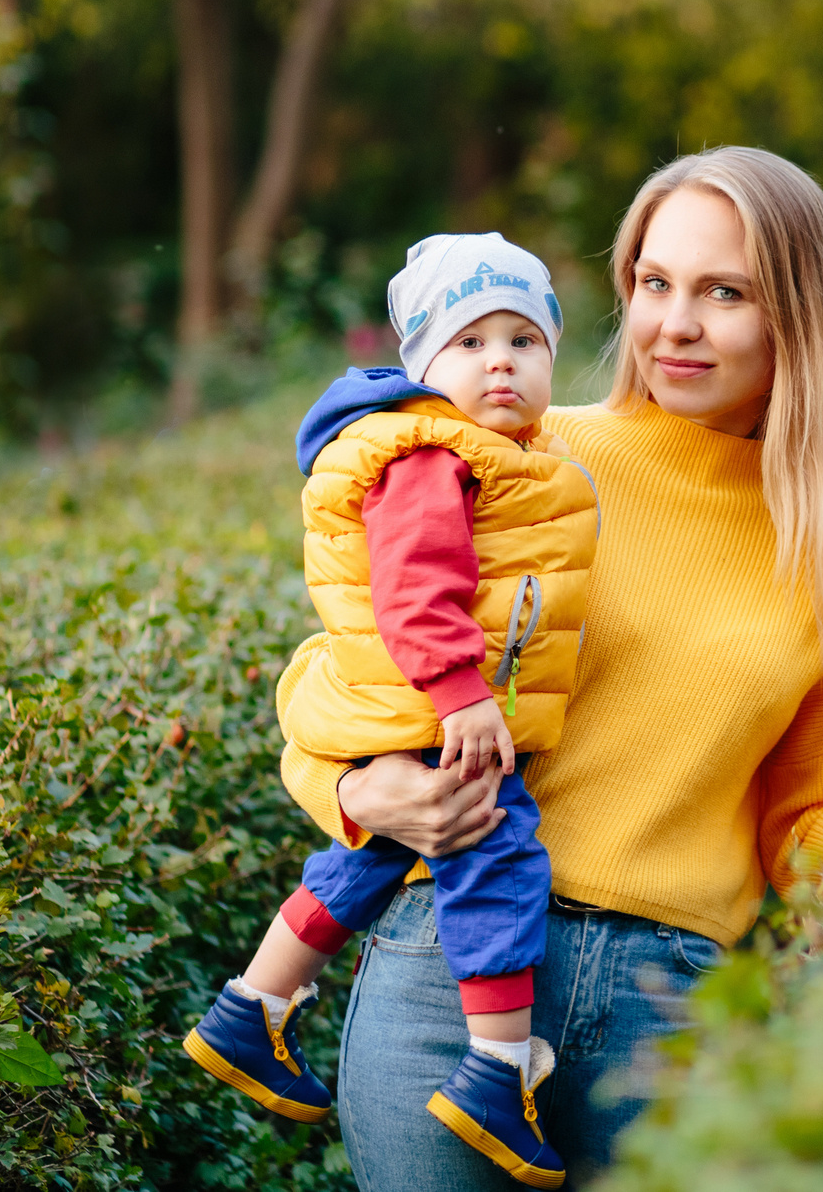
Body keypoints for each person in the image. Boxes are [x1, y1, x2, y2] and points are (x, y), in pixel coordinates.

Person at [277, 147, 823, 1191]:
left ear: (800, 317)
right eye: (654, 282)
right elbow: (337, 667)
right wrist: (357, 788)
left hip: (664, 1012)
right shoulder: (526, 457)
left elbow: (811, 811)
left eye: (726, 292)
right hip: (447, 974)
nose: (675, 323)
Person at [185, 233, 598, 1188]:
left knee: (367, 855)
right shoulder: (429, 453)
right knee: (496, 850)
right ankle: (498, 1068)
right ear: (423, 366)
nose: (500, 359)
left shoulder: (491, 454)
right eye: (470, 342)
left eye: (524, 340)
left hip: (410, 708)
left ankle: (252, 1006)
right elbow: (414, 593)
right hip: (436, 708)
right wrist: (462, 696)